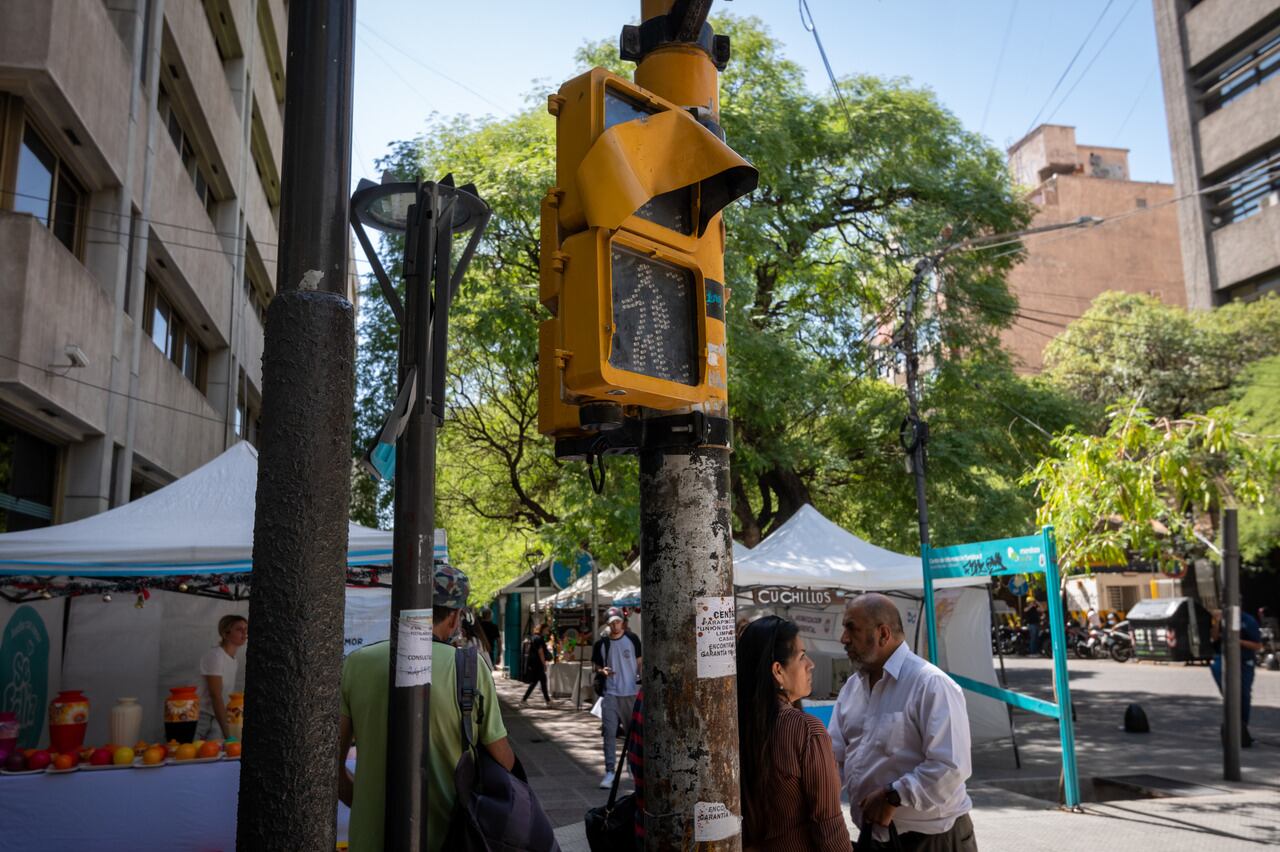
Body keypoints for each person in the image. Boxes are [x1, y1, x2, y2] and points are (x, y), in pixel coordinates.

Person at [338, 563, 515, 852]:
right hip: (450, 839)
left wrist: (370, 807)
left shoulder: (356, 663)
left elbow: (333, 764)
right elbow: (503, 760)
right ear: (456, 616)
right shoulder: (470, 668)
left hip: (369, 840)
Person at [828, 593, 976, 851]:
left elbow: (950, 766)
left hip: (934, 839)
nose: (844, 639)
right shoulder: (852, 688)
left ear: (883, 634)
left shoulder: (931, 684)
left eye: (852, 628)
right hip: (876, 837)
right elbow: (835, 758)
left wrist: (894, 795)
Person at [737, 616, 848, 851]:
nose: (811, 664)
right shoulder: (806, 730)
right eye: (801, 656)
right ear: (778, 671)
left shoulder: (733, 726)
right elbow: (829, 826)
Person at [592, 606, 642, 789]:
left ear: (623, 622)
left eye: (618, 622)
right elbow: (597, 666)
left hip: (631, 693)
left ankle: (630, 766)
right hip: (611, 694)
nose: (615, 625)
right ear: (607, 624)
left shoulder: (632, 639)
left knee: (632, 734)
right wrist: (601, 670)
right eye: (612, 623)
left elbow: (639, 662)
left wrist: (641, 680)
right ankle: (610, 771)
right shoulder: (602, 644)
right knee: (609, 733)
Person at [1210, 608, 1264, 747]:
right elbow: (1214, 638)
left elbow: (1258, 645)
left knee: (1244, 694)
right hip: (1224, 660)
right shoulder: (1223, 619)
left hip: (1244, 662)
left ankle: (1242, 726)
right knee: (1217, 669)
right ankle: (1233, 714)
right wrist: (1217, 622)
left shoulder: (1248, 621)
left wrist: (1237, 641)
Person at [195, 614, 247, 739]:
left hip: (219, 715)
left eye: (246, 629)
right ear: (225, 634)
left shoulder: (233, 660)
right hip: (200, 715)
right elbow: (215, 695)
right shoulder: (216, 656)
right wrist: (227, 732)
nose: (245, 633)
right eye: (239, 629)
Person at [522, 622, 552, 706]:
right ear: (542, 629)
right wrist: (544, 664)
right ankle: (524, 700)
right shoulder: (539, 639)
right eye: (547, 630)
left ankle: (548, 701)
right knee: (538, 682)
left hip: (534, 663)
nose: (548, 632)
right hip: (538, 663)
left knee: (540, 681)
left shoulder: (534, 637)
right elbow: (540, 652)